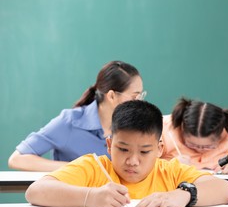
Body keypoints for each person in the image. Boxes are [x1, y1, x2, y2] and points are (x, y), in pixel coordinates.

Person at [25, 100, 228, 207]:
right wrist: (90, 196)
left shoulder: (170, 171)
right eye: (123, 149)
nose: (133, 161)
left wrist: (183, 194)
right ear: (109, 145)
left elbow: (226, 190)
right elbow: (36, 191)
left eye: (144, 152)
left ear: (159, 149)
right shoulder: (93, 167)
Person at [8, 60, 146, 172]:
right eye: (135, 96)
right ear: (111, 96)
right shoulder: (70, 122)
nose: (139, 102)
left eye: (141, 96)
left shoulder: (133, 126)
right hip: (71, 202)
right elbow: (17, 159)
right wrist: (77, 168)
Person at [160, 97, 228, 174]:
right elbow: (146, 163)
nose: (199, 150)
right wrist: (169, 165)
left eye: (208, 146)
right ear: (181, 128)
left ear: (221, 133)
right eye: (191, 144)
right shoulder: (162, 128)